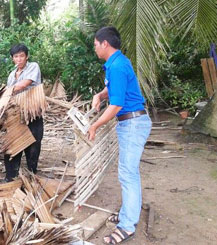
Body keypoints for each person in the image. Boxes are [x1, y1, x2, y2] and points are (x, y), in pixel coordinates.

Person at [88, 27, 152, 244]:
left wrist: (95, 125)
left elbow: (116, 104)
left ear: (105, 44)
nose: (95, 49)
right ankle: (127, 213)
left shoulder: (116, 66)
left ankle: (127, 225)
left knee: (128, 173)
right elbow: (114, 91)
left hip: (133, 123)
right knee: (127, 171)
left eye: (96, 45)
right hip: (131, 122)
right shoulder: (116, 63)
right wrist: (99, 94)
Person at [4, 43, 43, 182]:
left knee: (33, 144)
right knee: (13, 144)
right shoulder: (11, 75)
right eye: (16, 56)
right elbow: (10, 94)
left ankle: (31, 176)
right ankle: (11, 178)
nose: (19, 59)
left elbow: (24, 84)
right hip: (17, 114)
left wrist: (4, 92)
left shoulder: (33, 66)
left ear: (27, 57)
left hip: (33, 112)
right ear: (12, 58)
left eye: (21, 56)